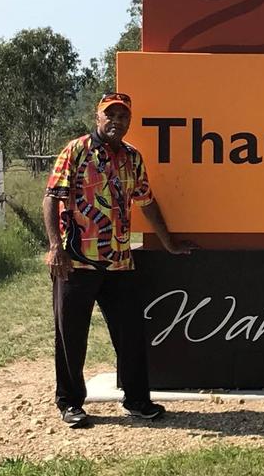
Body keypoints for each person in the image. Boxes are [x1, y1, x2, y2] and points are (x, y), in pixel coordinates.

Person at [42, 92, 195, 428]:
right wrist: (55, 247)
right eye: (109, 115)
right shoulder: (76, 151)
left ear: (129, 121)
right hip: (76, 262)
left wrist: (167, 242)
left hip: (119, 263)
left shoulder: (132, 158)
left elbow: (147, 202)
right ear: (98, 117)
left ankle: (138, 401)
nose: (116, 121)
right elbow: (52, 198)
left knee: (130, 332)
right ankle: (70, 403)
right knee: (71, 333)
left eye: (122, 116)